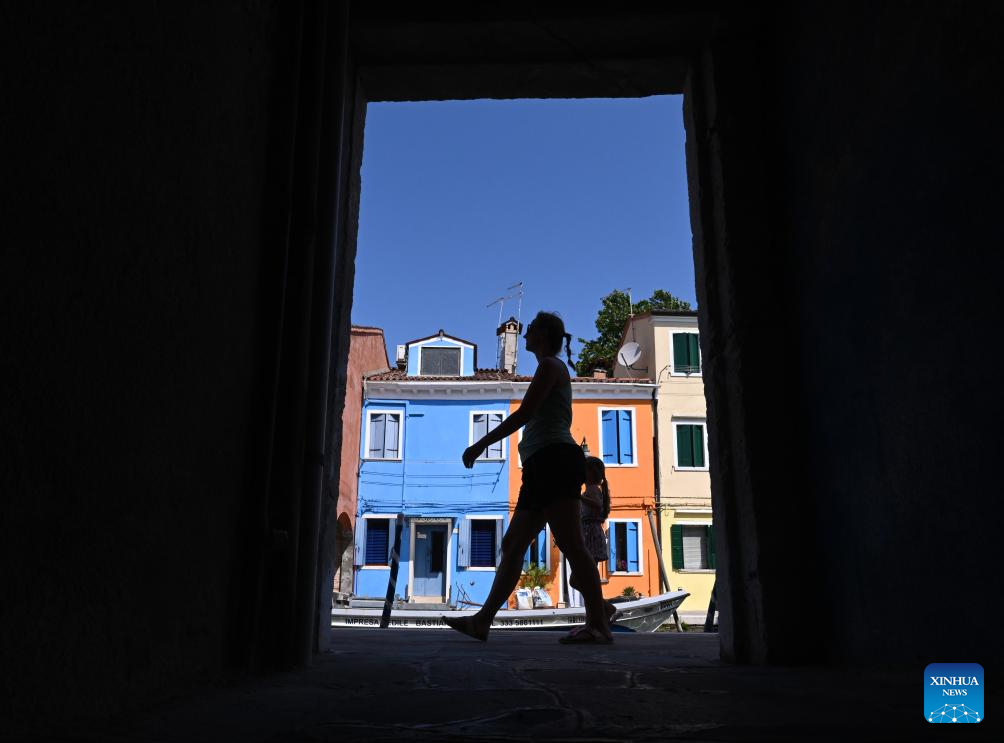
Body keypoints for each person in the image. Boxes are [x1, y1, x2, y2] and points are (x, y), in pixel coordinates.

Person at [444, 311, 614, 644]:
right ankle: (482, 621)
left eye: (531, 330)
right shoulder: (548, 367)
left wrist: (480, 445)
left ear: (546, 334)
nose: (525, 335)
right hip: (541, 465)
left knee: (572, 545)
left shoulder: (550, 366)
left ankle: (599, 624)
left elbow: (524, 414)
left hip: (555, 461)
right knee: (513, 544)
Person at [567, 456, 618, 624]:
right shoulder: (592, 489)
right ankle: (603, 609)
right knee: (582, 578)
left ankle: (600, 612)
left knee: (578, 579)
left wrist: (580, 497)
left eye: (584, 469)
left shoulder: (593, 490)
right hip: (588, 533)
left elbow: (597, 505)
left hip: (591, 535)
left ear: (591, 473)